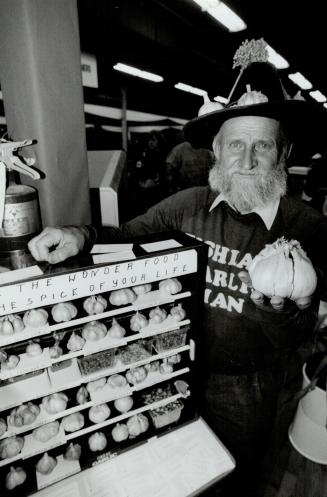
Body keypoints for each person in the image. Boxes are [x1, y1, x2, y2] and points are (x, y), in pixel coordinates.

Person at [28, 58, 327, 496]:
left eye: (261, 146)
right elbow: (126, 237)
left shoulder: (305, 228)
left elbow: (300, 331)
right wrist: (81, 235)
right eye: (235, 145)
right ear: (217, 150)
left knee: (231, 477)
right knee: (166, 472)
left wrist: (283, 312)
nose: (246, 160)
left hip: (246, 388)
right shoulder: (185, 206)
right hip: (166, 364)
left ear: (282, 154)